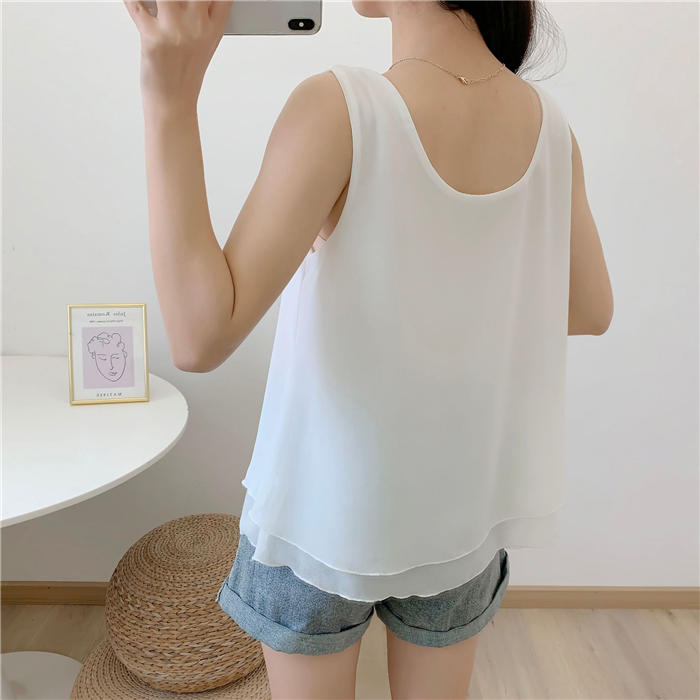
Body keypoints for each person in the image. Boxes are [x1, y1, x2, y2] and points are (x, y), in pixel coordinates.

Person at [124, 0, 614, 698]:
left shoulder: (342, 109)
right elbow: (590, 309)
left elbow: (199, 336)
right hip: (461, 517)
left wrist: (168, 100)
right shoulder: (551, 128)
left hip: (321, 521)